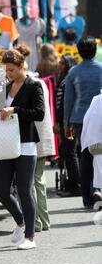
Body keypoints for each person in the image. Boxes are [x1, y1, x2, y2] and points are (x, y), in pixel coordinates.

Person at [0, 45, 45, 250]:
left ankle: (30, 237)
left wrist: (14, 109)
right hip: (6, 143)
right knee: (1, 190)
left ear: (22, 66)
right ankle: (20, 221)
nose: (8, 74)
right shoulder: (5, 88)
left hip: (25, 143)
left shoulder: (34, 85)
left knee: (24, 190)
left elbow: (39, 113)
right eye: (6, 71)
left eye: (11, 70)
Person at [64, 37, 102, 208]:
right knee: (101, 153)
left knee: (86, 155)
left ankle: (87, 197)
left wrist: (66, 123)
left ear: (78, 52)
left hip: (80, 118)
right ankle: (98, 188)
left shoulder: (73, 72)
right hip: (100, 113)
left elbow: (68, 100)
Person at [54, 54, 81, 197]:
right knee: (70, 153)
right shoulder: (65, 80)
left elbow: (64, 104)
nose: (59, 65)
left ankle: (75, 186)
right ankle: (74, 184)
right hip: (68, 120)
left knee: (70, 153)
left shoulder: (67, 81)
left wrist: (60, 121)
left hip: (68, 121)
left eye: (62, 63)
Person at [32, 77, 55, 232]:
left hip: (30, 139)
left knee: (29, 182)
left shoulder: (30, 84)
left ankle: (35, 222)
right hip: (40, 138)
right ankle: (44, 220)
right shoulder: (40, 83)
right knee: (39, 180)